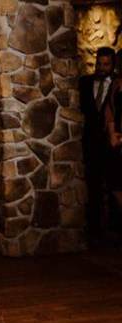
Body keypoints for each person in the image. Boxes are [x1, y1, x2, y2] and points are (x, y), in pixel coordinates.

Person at [79, 47, 116, 243]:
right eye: (99, 64)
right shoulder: (84, 83)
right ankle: (94, 231)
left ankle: (114, 229)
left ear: (113, 65)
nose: (102, 68)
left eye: (106, 64)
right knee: (92, 186)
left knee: (113, 186)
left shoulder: (118, 85)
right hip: (91, 142)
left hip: (112, 144)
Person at [104, 64, 122, 239]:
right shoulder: (116, 84)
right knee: (116, 183)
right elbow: (109, 111)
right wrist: (112, 134)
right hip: (117, 139)